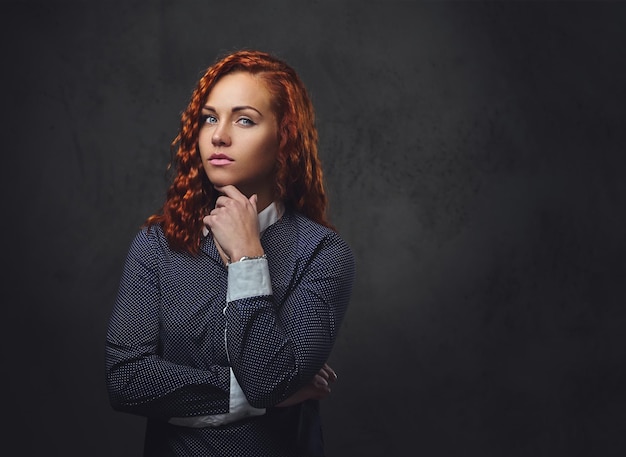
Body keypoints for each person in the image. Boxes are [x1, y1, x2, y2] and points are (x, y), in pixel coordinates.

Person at [105, 49, 355, 456]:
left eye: (244, 119)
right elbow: (127, 380)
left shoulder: (322, 253)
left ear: (284, 137)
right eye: (209, 117)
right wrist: (253, 397)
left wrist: (247, 257)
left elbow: (267, 379)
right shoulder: (157, 244)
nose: (219, 135)